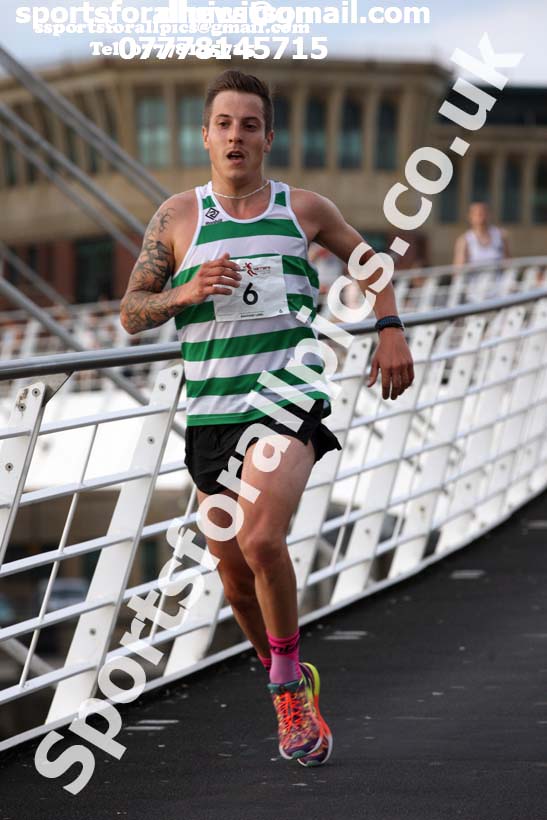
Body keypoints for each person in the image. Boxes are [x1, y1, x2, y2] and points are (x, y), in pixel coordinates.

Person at [120, 69, 414, 767]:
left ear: (267, 137)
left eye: (249, 125)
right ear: (205, 136)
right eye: (224, 124)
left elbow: (368, 264)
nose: (235, 136)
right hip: (212, 416)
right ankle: (285, 668)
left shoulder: (302, 209)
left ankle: (286, 690)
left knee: (258, 541)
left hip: (285, 403)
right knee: (230, 573)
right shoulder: (176, 218)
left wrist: (390, 328)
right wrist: (185, 291)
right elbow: (131, 313)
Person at [453, 202, 510, 299]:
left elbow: (508, 264)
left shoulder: (501, 236)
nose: (481, 217)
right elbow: (457, 270)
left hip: (498, 289)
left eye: (484, 213)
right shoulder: (465, 240)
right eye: (478, 214)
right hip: (475, 292)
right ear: (470, 217)